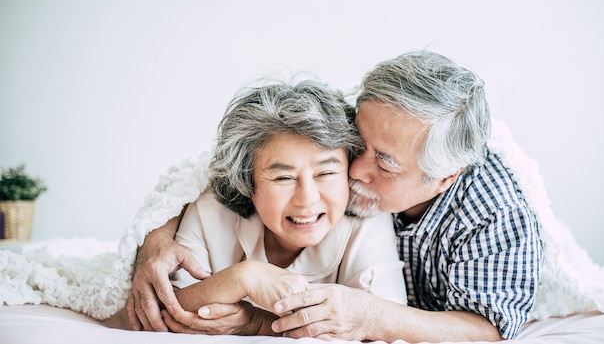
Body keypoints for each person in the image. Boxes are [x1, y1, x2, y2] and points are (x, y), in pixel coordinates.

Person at [129, 51, 544, 342]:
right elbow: (227, 160)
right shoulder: (365, 119)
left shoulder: (496, 217)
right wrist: (157, 236)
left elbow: (488, 330)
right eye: (356, 144)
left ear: (443, 178)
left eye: (385, 163)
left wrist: (370, 316)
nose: (354, 171)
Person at [126, 78, 407, 336]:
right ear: (248, 181)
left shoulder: (367, 221)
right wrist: (244, 277)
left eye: (326, 174)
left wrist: (258, 322)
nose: (307, 199)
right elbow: (162, 311)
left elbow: (385, 324)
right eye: (284, 177)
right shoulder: (210, 210)